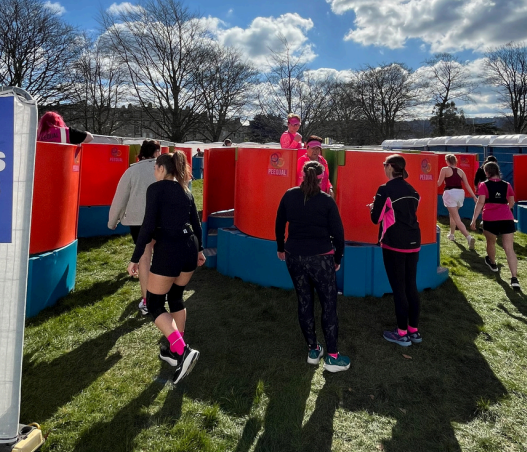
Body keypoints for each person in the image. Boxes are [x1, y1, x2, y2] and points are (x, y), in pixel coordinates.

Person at [127, 152, 206, 384]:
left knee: (153, 303)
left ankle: (182, 351)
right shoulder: (185, 190)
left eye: (155, 168)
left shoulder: (156, 189)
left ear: (162, 169)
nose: (154, 172)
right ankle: (175, 350)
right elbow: (196, 224)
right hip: (189, 247)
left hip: (170, 249)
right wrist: (200, 250)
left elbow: (147, 225)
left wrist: (135, 257)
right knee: (176, 296)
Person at [275, 160, 349, 372]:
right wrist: (338, 257)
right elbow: (339, 233)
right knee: (328, 304)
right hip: (321, 258)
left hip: (294, 256)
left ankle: (313, 350)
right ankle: (332, 356)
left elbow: (279, 223)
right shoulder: (326, 200)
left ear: (302, 174)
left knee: (304, 301)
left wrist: (281, 247)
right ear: (321, 178)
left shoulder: (289, 195)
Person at [370, 154, 422, 347]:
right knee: (411, 286)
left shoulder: (385, 189)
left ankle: (401, 334)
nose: (384, 168)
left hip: (395, 243)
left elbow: (376, 218)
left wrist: (373, 207)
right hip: (414, 241)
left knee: (399, 288)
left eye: (385, 165)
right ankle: (413, 330)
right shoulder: (412, 190)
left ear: (391, 167)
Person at [109, 140, 161, 315]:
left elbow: (120, 198)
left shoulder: (131, 171)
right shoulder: (166, 169)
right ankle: (161, 293)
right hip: (162, 221)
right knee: (161, 258)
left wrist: (112, 221)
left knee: (144, 260)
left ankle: (147, 300)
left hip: (139, 222)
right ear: (157, 152)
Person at [470, 161, 520, 289]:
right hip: (507, 218)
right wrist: (504, 210)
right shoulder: (507, 185)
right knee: (509, 249)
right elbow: (512, 202)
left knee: (491, 243)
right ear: (497, 171)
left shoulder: (483, 185)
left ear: (487, 172)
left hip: (490, 219)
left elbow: (480, 203)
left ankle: (493, 264)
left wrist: (474, 219)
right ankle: (514, 278)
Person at [437, 154, 478, 248]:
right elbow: (467, 185)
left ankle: (468, 237)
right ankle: (451, 235)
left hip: (450, 193)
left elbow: (438, 183)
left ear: (447, 161)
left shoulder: (444, 169)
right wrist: (474, 196)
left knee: (456, 218)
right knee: (453, 215)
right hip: (460, 194)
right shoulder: (461, 171)